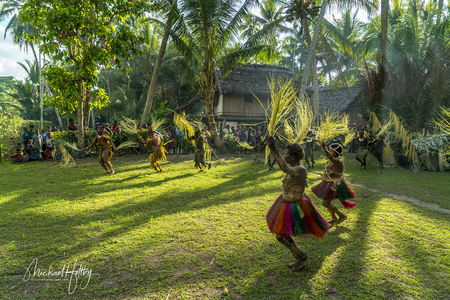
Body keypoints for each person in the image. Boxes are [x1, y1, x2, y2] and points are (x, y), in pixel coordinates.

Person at [266, 136, 329, 271]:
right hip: (285, 203)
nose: (284, 155)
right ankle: (300, 257)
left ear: (293, 157)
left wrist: (274, 148)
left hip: (294, 206)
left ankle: (301, 257)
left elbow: (284, 169)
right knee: (281, 236)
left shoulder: (300, 169)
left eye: (286, 154)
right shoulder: (294, 166)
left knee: (281, 236)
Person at [311, 141, 356, 226]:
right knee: (326, 202)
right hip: (328, 183)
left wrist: (324, 148)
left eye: (331, 150)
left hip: (334, 185)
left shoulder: (338, 160)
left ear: (335, 152)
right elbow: (331, 161)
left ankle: (341, 216)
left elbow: (330, 158)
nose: (330, 152)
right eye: (330, 150)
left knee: (326, 203)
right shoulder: (334, 160)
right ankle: (334, 218)